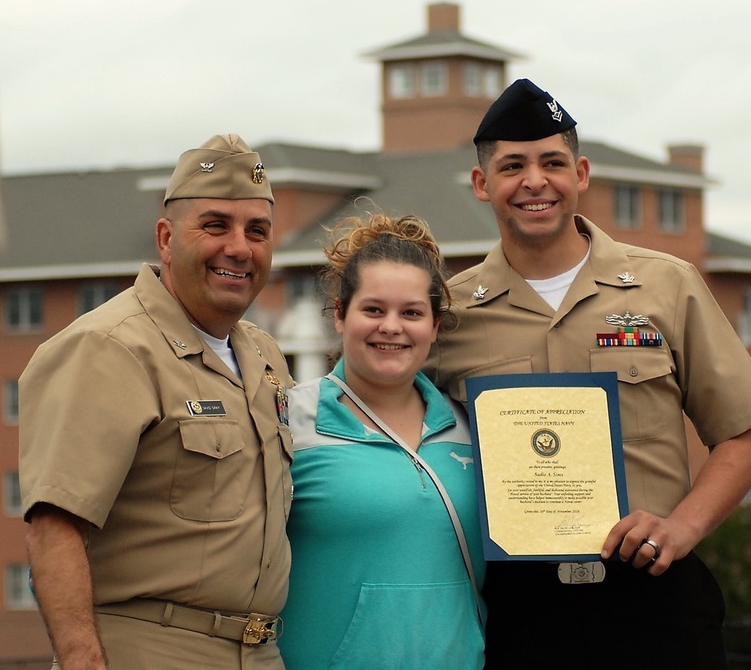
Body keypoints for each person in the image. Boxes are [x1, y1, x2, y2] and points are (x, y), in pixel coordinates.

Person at [423, 79, 751, 668]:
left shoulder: (667, 285)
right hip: (516, 611)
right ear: (482, 185)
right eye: (512, 165)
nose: (534, 181)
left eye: (552, 162)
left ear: (582, 174)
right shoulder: (449, 314)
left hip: (655, 601)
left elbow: (740, 441)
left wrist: (681, 529)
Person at [18, 134, 294, 670]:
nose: (239, 247)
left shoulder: (264, 356)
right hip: (147, 650)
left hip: (259, 653)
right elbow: (55, 528)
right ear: (166, 238)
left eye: (256, 231)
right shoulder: (109, 347)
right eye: (215, 225)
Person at [279, 213, 485, 670]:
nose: (391, 326)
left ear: (434, 326)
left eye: (411, 313)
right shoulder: (287, 423)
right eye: (373, 309)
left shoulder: (473, 426)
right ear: (339, 315)